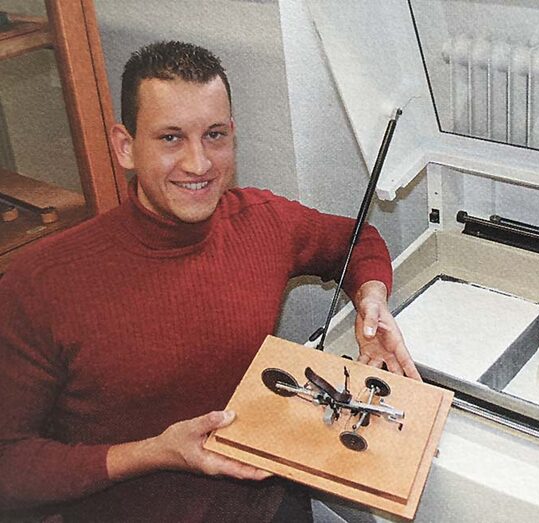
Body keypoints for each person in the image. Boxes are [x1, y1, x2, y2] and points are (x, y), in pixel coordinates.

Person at [0, 40, 420, 522]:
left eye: (214, 135)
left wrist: (373, 300)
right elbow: (8, 468)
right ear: (124, 146)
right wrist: (154, 451)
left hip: (270, 505)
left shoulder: (263, 221)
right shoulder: (40, 284)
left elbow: (356, 239)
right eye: (171, 138)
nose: (199, 164)